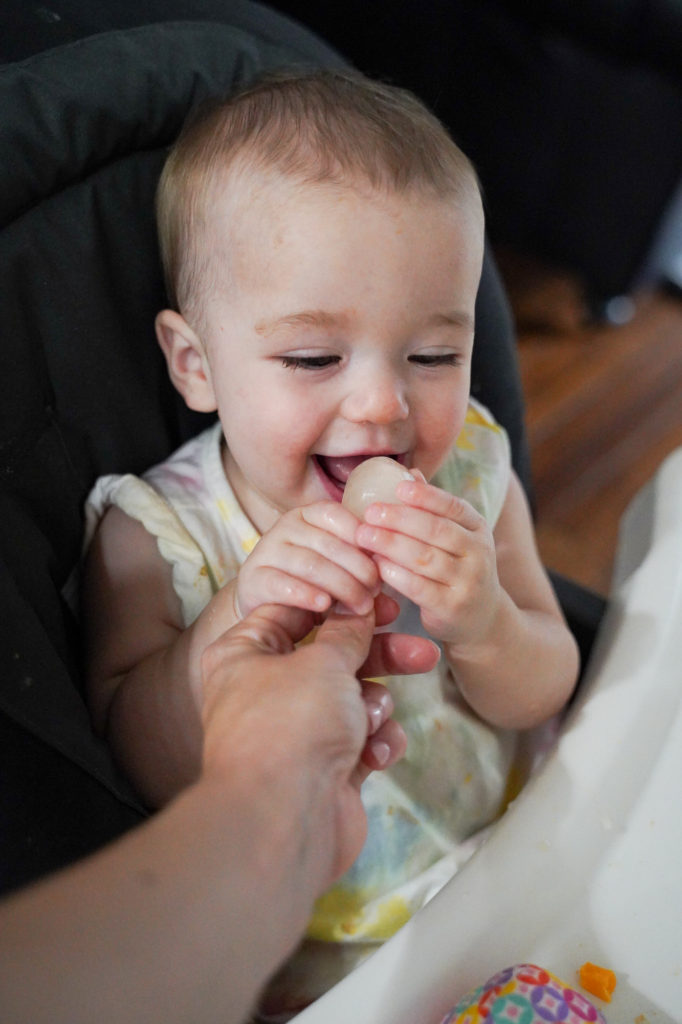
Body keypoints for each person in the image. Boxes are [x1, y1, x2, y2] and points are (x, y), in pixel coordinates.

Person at [81, 69, 580, 1014]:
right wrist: (232, 622)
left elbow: (547, 678)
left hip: (523, 850)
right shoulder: (156, 536)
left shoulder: (470, 466)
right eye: (314, 358)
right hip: (327, 961)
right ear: (197, 364)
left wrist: (485, 625)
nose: (385, 405)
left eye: (434, 355)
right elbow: (129, 756)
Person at [0, 601, 429, 1024]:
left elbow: (500, 699)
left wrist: (479, 625)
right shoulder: (149, 539)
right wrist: (241, 609)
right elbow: (128, 745)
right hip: (332, 981)